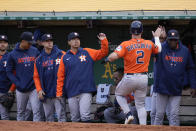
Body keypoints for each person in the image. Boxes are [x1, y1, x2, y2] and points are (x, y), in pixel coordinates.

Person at [103, 20, 162, 125]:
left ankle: (128, 114)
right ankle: (143, 126)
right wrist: (156, 37)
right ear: (141, 31)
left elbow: (113, 57)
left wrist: (107, 59)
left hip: (130, 77)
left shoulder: (126, 44)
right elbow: (159, 49)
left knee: (118, 94)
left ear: (131, 31)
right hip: (143, 78)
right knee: (140, 105)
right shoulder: (149, 43)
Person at [56, 32, 109, 122]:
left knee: (85, 116)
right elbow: (60, 77)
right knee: (74, 118)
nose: (76, 41)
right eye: (73, 39)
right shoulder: (65, 57)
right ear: (69, 42)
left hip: (85, 90)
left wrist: (103, 40)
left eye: (78, 39)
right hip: (71, 91)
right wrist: (59, 92)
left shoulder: (87, 52)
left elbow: (103, 52)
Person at [153, 29, 196, 126]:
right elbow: (152, 51)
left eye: (175, 40)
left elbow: (191, 68)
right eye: (170, 39)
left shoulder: (185, 51)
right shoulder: (161, 48)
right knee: (159, 114)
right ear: (167, 39)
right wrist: (157, 38)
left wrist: (193, 85)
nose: (172, 42)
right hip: (162, 87)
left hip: (176, 88)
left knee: (174, 115)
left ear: (178, 40)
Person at [6, 31, 42, 121]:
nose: (30, 44)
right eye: (29, 42)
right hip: (21, 88)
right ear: (23, 41)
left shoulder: (35, 51)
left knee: (36, 111)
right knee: (21, 111)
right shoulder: (12, 54)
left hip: (33, 87)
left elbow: (40, 66)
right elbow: (9, 72)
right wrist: (17, 83)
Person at [34, 33, 66, 122]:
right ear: (42, 43)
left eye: (50, 41)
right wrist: (39, 90)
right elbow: (36, 76)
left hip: (59, 92)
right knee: (48, 118)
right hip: (46, 92)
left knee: (61, 117)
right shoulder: (39, 59)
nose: (49, 43)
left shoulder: (62, 54)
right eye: (46, 41)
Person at [0, 35, 15, 120]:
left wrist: (11, 90)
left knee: (4, 116)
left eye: (4, 42)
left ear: (7, 44)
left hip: (5, 91)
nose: (2, 44)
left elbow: (15, 74)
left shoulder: (10, 57)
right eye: (0, 42)